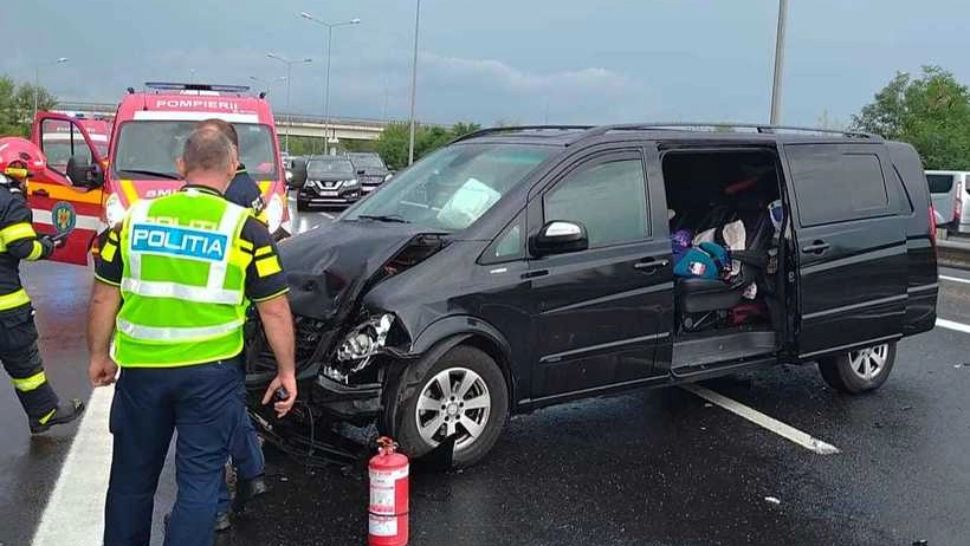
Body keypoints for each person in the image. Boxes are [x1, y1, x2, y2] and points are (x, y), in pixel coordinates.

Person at [87, 128, 298, 546]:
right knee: (199, 483)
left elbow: (102, 296)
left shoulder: (133, 221)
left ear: (181, 166)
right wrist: (286, 371)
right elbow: (274, 309)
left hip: (142, 371)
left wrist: (98, 355)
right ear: (233, 168)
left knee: (130, 481)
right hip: (211, 375)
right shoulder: (247, 230)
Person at [194, 118, 269, 529]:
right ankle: (252, 469)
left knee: (207, 424)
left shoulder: (229, 195)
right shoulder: (248, 189)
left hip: (222, 320)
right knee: (229, 406)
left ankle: (217, 505)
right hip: (239, 314)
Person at [0, 137, 85, 433]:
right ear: (17, 171)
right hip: (5, 303)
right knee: (23, 360)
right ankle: (44, 412)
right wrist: (47, 246)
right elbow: (23, 247)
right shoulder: (10, 202)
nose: (28, 184)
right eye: (29, 176)